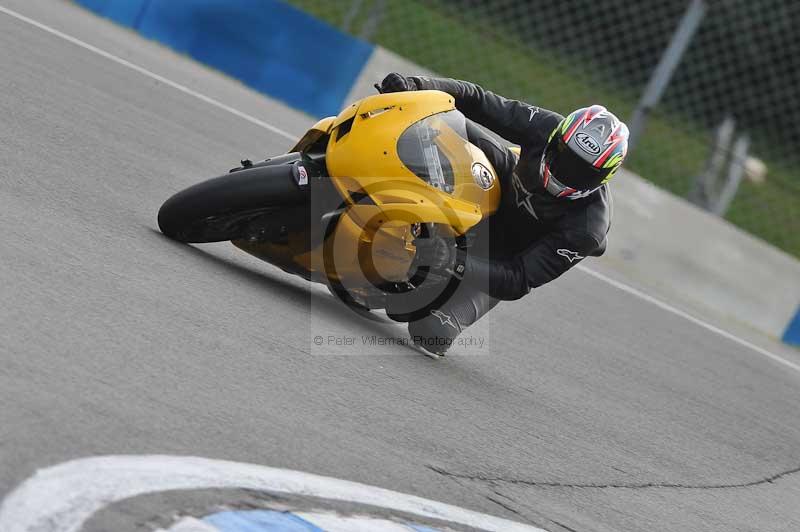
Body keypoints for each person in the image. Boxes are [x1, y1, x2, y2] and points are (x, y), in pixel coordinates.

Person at [377, 73, 629, 356]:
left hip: (504, 259)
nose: (566, 173)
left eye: (582, 172)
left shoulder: (585, 229)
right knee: (434, 120)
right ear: (557, 138)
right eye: (564, 157)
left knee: (430, 331)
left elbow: (519, 279)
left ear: (602, 178)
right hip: (505, 179)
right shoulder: (546, 126)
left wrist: (453, 261)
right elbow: (477, 99)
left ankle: (436, 263)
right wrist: (417, 86)